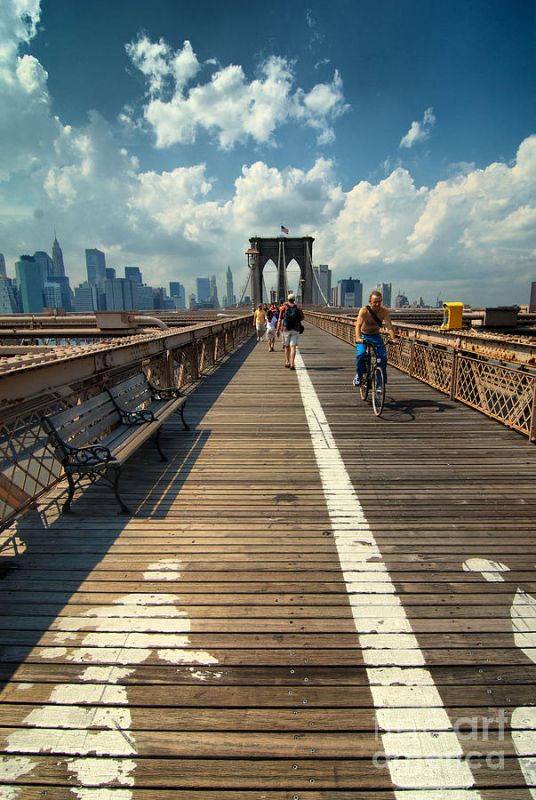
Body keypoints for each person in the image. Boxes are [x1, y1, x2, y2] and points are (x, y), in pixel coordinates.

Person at [354, 290, 396, 386]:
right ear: (370, 302)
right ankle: (359, 375)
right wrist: (358, 338)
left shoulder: (384, 311)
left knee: (382, 357)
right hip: (364, 336)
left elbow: (389, 326)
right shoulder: (364, 310)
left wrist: (393, 338)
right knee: (361, 354)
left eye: (379, 302)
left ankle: (380, 384)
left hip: (376, 336)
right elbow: (358, 326)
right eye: (375, 302)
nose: (377, 304)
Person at [276, 292, 304, 370]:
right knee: (293, 347)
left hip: (286, 329)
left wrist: (278, 329)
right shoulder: (298, 307)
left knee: (286, 346)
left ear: (288, 299)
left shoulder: (283, 307)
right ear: (294, 299)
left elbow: (279, 319)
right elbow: (302, 318)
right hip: (295, 329)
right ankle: (292, 364)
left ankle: (287, 362)